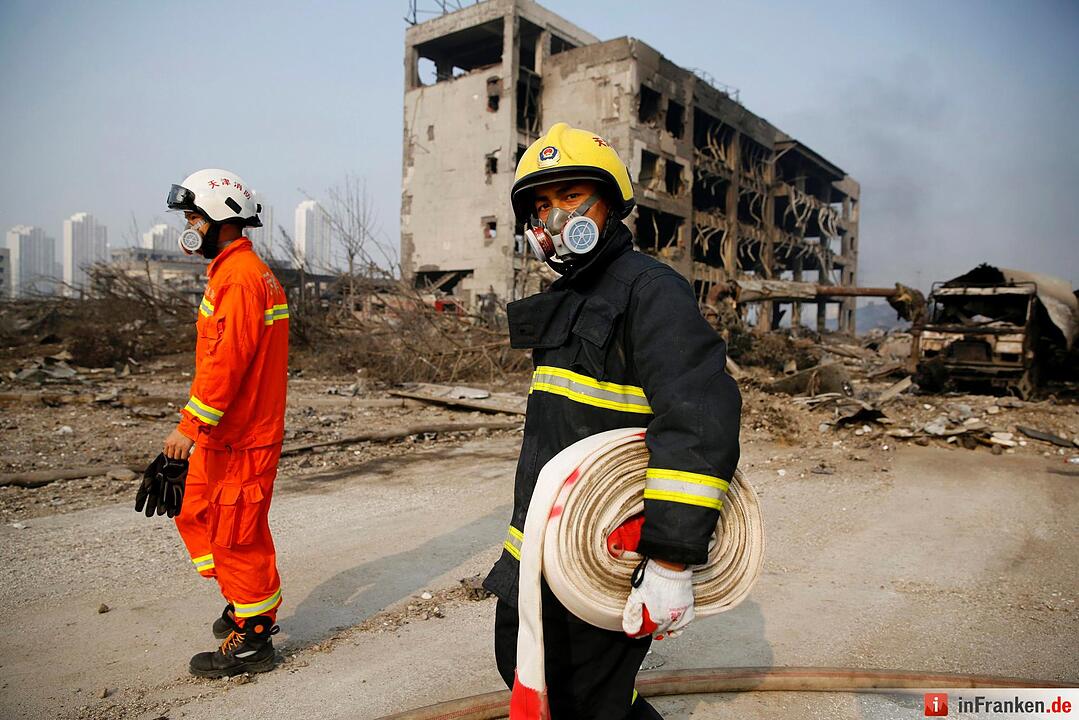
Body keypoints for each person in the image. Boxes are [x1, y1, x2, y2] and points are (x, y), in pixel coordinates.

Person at [482, 123, 742, 718]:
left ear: (609, 203)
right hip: (544, 546)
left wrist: (672, 559)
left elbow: (699, 421)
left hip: (606, 545)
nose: (553, 217)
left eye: (571, 196)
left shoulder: (650, 292)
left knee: (585, 700)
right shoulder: (572, 296)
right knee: (521, 665)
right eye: (541, 205)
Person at [162, 169, 289, 677]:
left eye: (193, 216)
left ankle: (255, 638)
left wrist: (187, 428)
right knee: (194, 511)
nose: (189, 226)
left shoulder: (240, 278)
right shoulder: (230, 272)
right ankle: (241, 600)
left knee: (237, 535)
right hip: (226, 433)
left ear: (220, 218)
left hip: (242, 437)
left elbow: (227, 364)